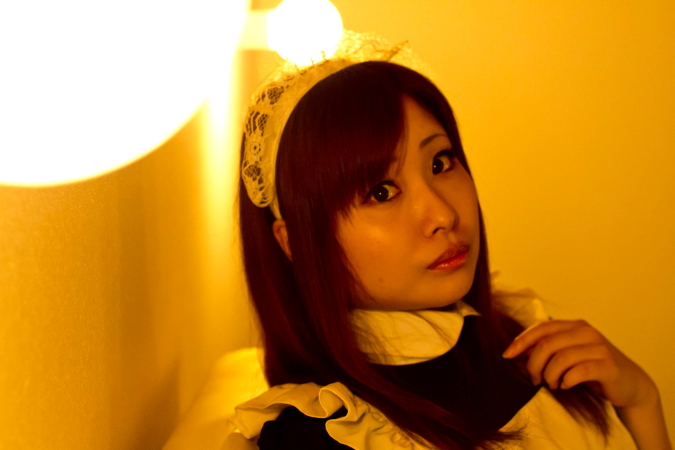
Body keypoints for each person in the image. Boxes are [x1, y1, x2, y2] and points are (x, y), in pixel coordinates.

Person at [229, 32, 671, 449]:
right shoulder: (328, 431)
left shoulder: (527, 336)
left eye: (440, 163)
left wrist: (642, 400)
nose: (444, 215)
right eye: (381, 192)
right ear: (295, 242)